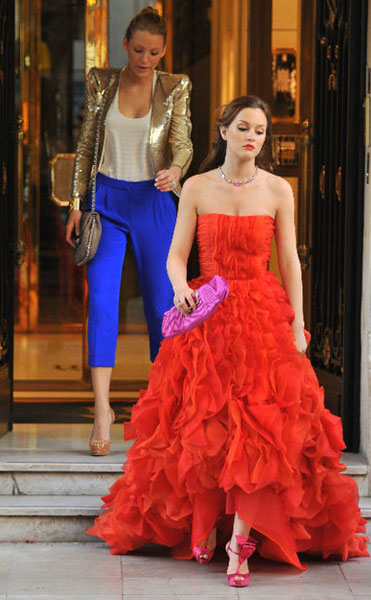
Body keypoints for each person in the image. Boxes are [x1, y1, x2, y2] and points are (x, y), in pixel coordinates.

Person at [86, 95, 368, 586]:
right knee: (206, 427)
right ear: (223, 131)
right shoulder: (196, 186)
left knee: (259, 431)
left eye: (259, 130)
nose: (251, 137)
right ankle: (207, 526)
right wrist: (179, 289)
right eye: (243, 127)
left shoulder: (278, 189)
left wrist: (298, 323)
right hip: (207, 313)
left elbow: (290, 261)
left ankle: (241, 542)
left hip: (262, 315)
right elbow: (176, 255)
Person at [65, 7, 193, 456]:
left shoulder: (175, 87)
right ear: (125, 44)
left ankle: (162, 411)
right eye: (138, 50)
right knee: (102, 302)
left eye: (154, 52)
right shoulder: (102, 83)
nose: (145, 59)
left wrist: (176, 169)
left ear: (164, 51)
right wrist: (77, 203)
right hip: (106, 202)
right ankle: (102, 410)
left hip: (154, 203)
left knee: (162, 307)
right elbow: (86, 145)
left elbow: (183, 141)